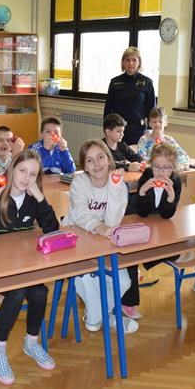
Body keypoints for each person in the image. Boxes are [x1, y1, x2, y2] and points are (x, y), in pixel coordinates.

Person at [0, 150, 59, 385]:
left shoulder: (33, 198)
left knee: (40, 291)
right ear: (12, 170)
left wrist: (40, 198)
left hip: (23, 266)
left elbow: (52, 229)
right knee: (17, 292)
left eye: (33, 174)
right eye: (23, 171)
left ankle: (31, 342)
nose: (26, 178)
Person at [60, 139, 138, 334]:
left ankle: (96, 316)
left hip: (103, 242)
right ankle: (106, 317)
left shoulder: (117, 183)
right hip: (75, 242)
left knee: (124, 281)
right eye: (90, 160)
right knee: (86, 278)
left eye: (101, 157)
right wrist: (99, 227)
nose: (97, 164)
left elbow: (113, 220)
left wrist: (114, 187)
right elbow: (80, 215)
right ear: (84, 166)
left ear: (109, 159)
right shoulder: (80, 182)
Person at [121, 143, 182, 320]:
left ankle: (142, 265)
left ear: (173, 167)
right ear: (151, 164)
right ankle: (129, 302)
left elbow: (166, 215)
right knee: (131, 255)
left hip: (159, 225)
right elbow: (142, 212)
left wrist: (170, 197)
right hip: (138, 219)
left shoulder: (175, 181)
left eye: (166, 168)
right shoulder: (147, 175)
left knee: (174, 252)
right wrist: (141, 192)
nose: (161, 172)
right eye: (156, 167)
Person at [104, 47, 156, 146]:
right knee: (118, 155)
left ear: (139, 63)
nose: (131, 63)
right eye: (127, 60)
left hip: (139, 130)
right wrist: (107, 129)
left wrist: (150, 130)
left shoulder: (147, 82)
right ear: (123, 63)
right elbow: (108, 108)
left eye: (134, 60)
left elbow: (152, 110)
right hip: (117, 130)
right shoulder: (115, 82)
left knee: (137, 155)